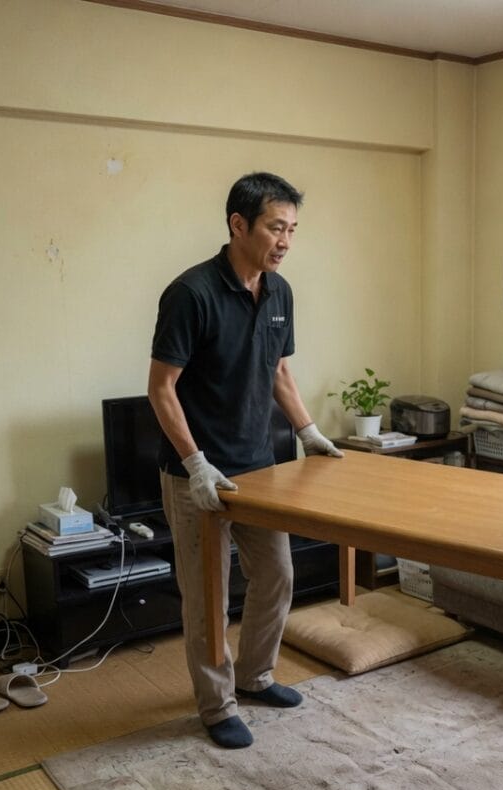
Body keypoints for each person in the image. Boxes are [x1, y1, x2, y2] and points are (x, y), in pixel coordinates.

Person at [148, 172, 343, 750]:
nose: (285, 241)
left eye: (292, 229)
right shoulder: (191, 293)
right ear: (239, 225)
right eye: (275, 228)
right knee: (208, 596)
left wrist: (308, 431)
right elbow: (161, 388)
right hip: (198, 474)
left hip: (260, 469)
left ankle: (255, 677)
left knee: (278, 575)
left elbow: (279, 371)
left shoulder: (280, 292)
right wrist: (195, 463)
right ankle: (217, 706)